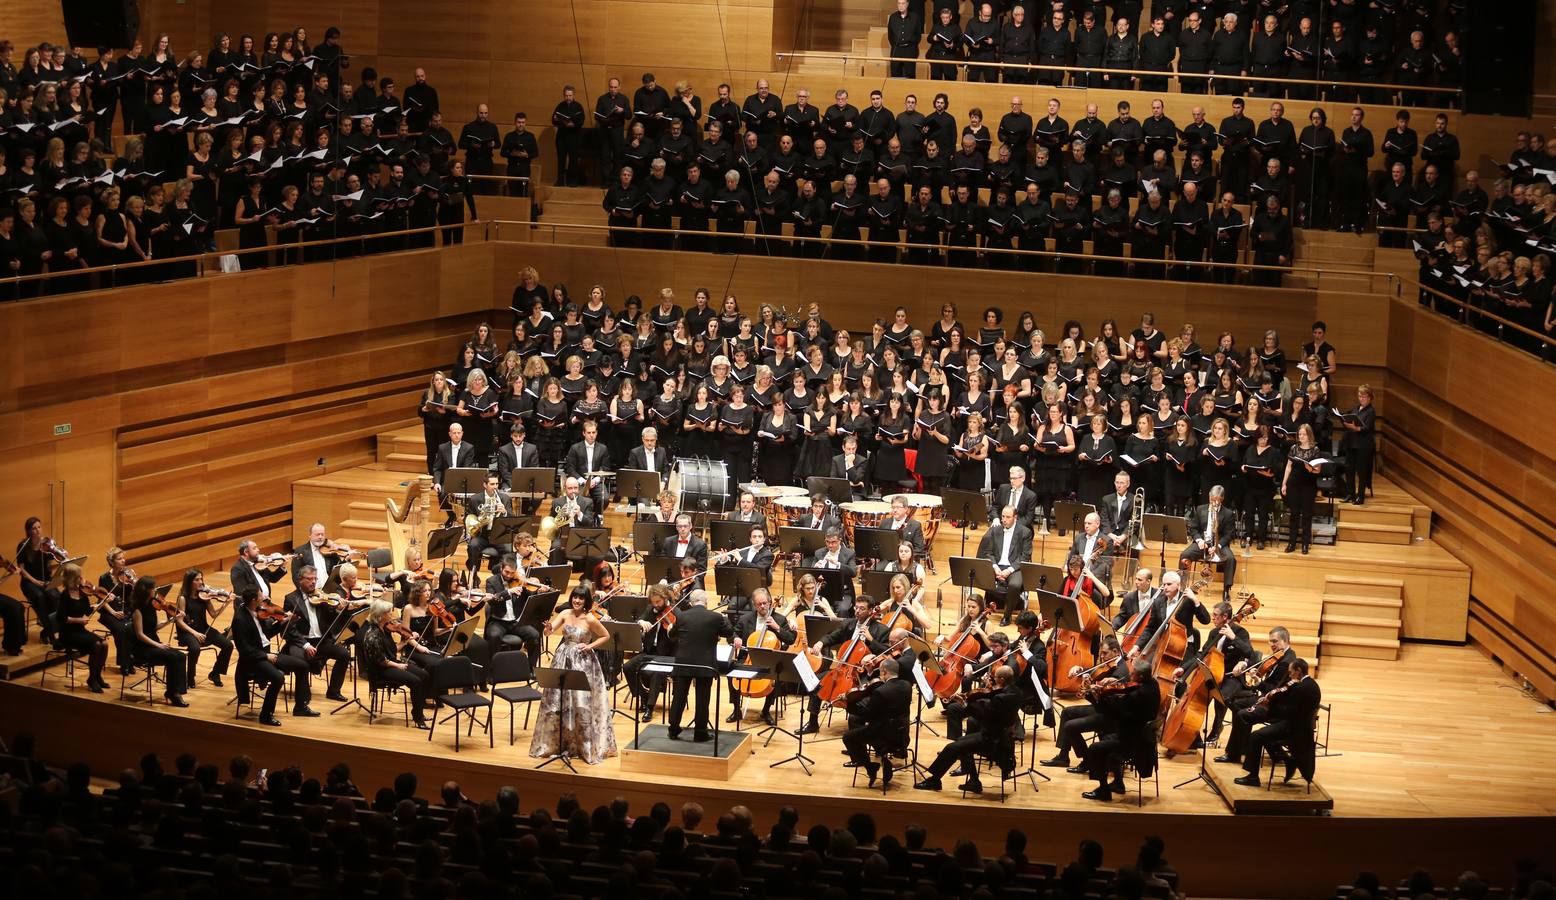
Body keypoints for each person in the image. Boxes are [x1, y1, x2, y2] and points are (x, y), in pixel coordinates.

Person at [530, 586, 618, 764]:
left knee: (581, 702)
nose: (577, 601)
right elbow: (549, 631)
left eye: (581, 598)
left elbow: (605, 636)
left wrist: (589, 646)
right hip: (563, 657)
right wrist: (547, 628)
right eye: (575, 597)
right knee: (558, 700)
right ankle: (560, 744)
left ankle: (583, 746)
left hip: (583, 662)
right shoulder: (564, 613)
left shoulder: (590, 618)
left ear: (586, 600)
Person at [914, 664, 1021, 793]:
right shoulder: (1016, 692)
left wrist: (965, 704)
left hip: (994, 740)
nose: (992, 679)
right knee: (961, 742)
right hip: (1003, 736)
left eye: (995, 677)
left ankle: (935, 780)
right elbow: (995, 712)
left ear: (1002, 680)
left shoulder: (1000, 698)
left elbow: (984, 718)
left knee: (952, 747)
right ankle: (974, 782)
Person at [1232, 657, 1321, 786]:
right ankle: (1286, 760)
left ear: (1299, 671)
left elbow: (1288, 712)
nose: (1289, 676)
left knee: (1256, 736)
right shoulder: (1312, 685)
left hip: (1294, 728)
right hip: (1302, 726)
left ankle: (1253, 777)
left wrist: (1270, 707)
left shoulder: (1299, 688)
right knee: (1266, 732)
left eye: (1291, 672)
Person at [1041, 635, 1126, 769]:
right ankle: (1063, 756)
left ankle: (1087, 760)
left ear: (1116, 652)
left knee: (1070, 726)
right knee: (1067, 712)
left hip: (1110, 716)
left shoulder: (1120, 672)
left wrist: (1088, 691)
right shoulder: (1110, 666)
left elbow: (1105, 703)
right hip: (1102, 708)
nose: (1102, 657)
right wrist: (1080, 670)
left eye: (1105, 653)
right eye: (1101, 654)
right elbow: (1096, 673)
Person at [1081, 657, 1160, 800]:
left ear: (1141, 676)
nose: (1130, 675)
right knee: (1105, 735)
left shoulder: (1137, 696)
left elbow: (1111, 711)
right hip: (1143, 735)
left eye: (1134, 673)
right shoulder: (1153, 684)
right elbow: (1127, 693)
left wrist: (1093, 695)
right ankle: (1118, 783)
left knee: (1095, 749)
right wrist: (1114, 685)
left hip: (1133, 741)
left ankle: (1103, 791)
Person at [282, 565, 355, 715]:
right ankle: (301, 702)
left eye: (315, 579)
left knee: (344, 655)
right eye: (309, 579)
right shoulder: (291, 599)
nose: (313, 582)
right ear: (300, 579)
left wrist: (338, 608)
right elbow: (289, 629)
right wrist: (305, 644)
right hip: (300, 642)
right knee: (301, 664)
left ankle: (333, 691)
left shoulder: (321, 597)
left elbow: (331, 617)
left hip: (321, 640)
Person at [230, 587, 309, 726]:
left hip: (266, 655)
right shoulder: (240, 619)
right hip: (253, 660)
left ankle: (300, 707)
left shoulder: (258, 612)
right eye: (261, 596)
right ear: (254, 600)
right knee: (278, 678)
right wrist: (266, 656)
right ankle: (265, 715)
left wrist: (283, 621)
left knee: (302, 666)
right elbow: (245, 650)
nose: (265, 599)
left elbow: (267, 634)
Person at [667, 589, 737, 741]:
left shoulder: (682, 616)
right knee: (703, 698)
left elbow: (672, 636)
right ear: (706, 602)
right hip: (705, 665)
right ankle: (700, 732)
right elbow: (729, 633)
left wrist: (672, 629)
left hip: (683, 662)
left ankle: (673, 729)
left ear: (691, 603)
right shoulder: (716, 617)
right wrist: (725, 619)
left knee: (679, 696)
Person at [843, 656, 913, 786]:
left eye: (880, 671)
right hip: (902, 735)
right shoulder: (907, 685)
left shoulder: (880, 692)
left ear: (884, 672)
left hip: (884, 736)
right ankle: (883, 757)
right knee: (870, 727)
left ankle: (870, 767)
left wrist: (850, 704)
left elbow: (867, 717)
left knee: (848, 737)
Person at [727, 588, 793, 725]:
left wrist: (777, 628)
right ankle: (736, 710)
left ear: (769, 602)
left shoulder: (779, 619)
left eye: (764, 603)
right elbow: (732, 634)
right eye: (759, 604)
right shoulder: (746, 619)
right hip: (747, 658)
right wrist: (736, 639)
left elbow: (791, 639)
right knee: (731, 672)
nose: (762, 606)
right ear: (754, 604)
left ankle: (766, 710)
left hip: (769, 661)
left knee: (776, 676)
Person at [126, 575, 189, 706]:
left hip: (153, 644)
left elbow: (154, 627)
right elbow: (140, 634)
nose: (156, 590)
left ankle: (174, 691)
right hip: (142, 648)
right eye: (153, 588)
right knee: (173, 657)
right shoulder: (138, 610)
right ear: (146, 590)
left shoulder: (151, 606)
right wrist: (159, 645)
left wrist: (172, 620)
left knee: (181, 656)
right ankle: (173, 694)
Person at [49, 564, 110, 691]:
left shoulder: (82, 593)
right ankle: (92, 679)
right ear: (72, 578)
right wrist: (78, 620)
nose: (82, 578)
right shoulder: (65, 595)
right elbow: (61, 618)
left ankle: (97, 676)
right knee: (97, 645)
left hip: (80, 631)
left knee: (104, 643)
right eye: (78, 576)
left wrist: (102, 602)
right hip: (67, 634)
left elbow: (88, 611)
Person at [626, 584, 678, 720]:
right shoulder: (650, 609)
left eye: (658, 602)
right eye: (653, 602)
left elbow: (681, 637)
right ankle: (643, 696)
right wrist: (641, 622)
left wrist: (673, 631)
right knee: (628, 667)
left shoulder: (675, 611)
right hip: (649, 652)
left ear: (665, 598)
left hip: (666, 656)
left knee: (655, 672)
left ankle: (649, 708)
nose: (655, 605)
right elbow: (640, 619)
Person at [174, 568, 233, 688]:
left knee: (228, 645)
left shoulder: (204, 596)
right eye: (197, 580)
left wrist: (226, 603)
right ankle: (190, 677)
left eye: (201, 579)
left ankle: (215, 673)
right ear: (189, 582)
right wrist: (195, 633)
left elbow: (214, 614)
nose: (201, 582)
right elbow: (179, 622)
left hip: (203, 628)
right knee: (195, 648)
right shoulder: (182, 598)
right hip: (187, 631)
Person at [979, 505, 1031, 623]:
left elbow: (1025, 557)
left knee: (1015, 585)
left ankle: (1007, 616)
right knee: (978, 578)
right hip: (997, 566)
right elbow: (988, 552)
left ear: (1015, 517)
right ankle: (1015, 598)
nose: (1004, 519)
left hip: (1014, 568)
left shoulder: (1025, 532)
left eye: (1008, 517)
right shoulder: (995, 530)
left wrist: (1009, 570)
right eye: (1003, 516)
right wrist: (995, 567)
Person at [1338, 385, 1376, 504]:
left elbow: (1366, 428)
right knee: (1349, 471)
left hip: (1363, 446)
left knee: (1361, 472)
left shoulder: (1371, 411)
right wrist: (1342, 418)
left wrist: (1355, 428)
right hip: (1352, 444)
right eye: (1359, 396)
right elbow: (1347, 418)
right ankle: (1350, 494)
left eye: (1364, 396)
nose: (1361, 399)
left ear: (1369, 397)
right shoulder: (1355, 408)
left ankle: (1360, 496)